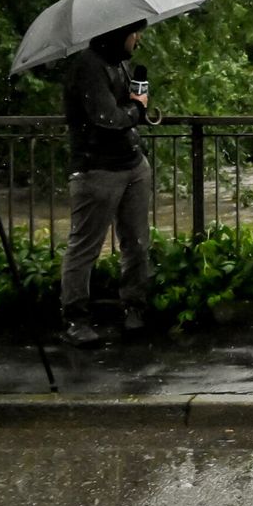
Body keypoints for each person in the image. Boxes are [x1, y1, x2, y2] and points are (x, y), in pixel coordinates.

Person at [58, 20, 153, 347]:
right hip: (96, 169)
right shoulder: (87, 66)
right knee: (84, 247)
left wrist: (136, 106)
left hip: (132, 164)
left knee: (137, 242)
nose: (137, 39)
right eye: (134, 33)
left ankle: (135, 308)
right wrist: (135, 109)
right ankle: (76, 318)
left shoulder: (118, 64)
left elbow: (121, 112)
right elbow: (106, 117)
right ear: (119, 33)